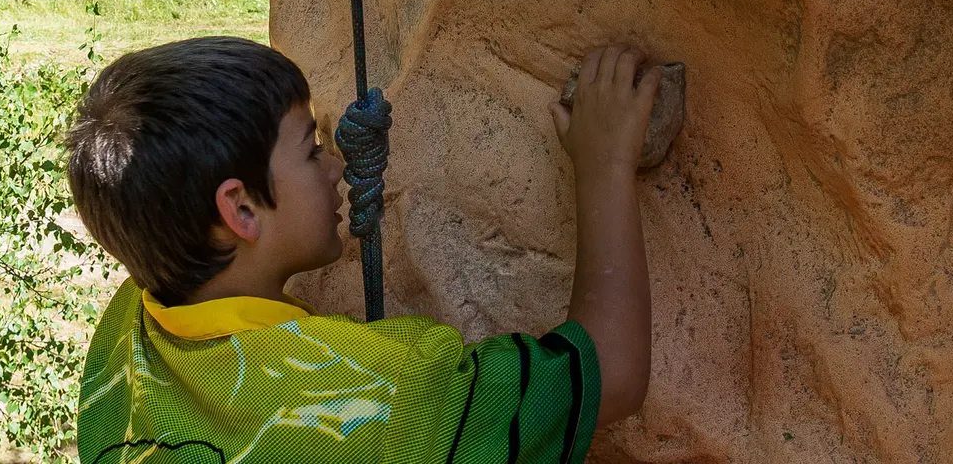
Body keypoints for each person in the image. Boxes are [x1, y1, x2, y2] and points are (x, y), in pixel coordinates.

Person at [66, 35, 658, 464]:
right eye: (309, 149)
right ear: (240, 209)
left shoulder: (125, 332)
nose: (333, 167)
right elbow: (611, 374)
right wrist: (604, 164)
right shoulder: (378, 394)